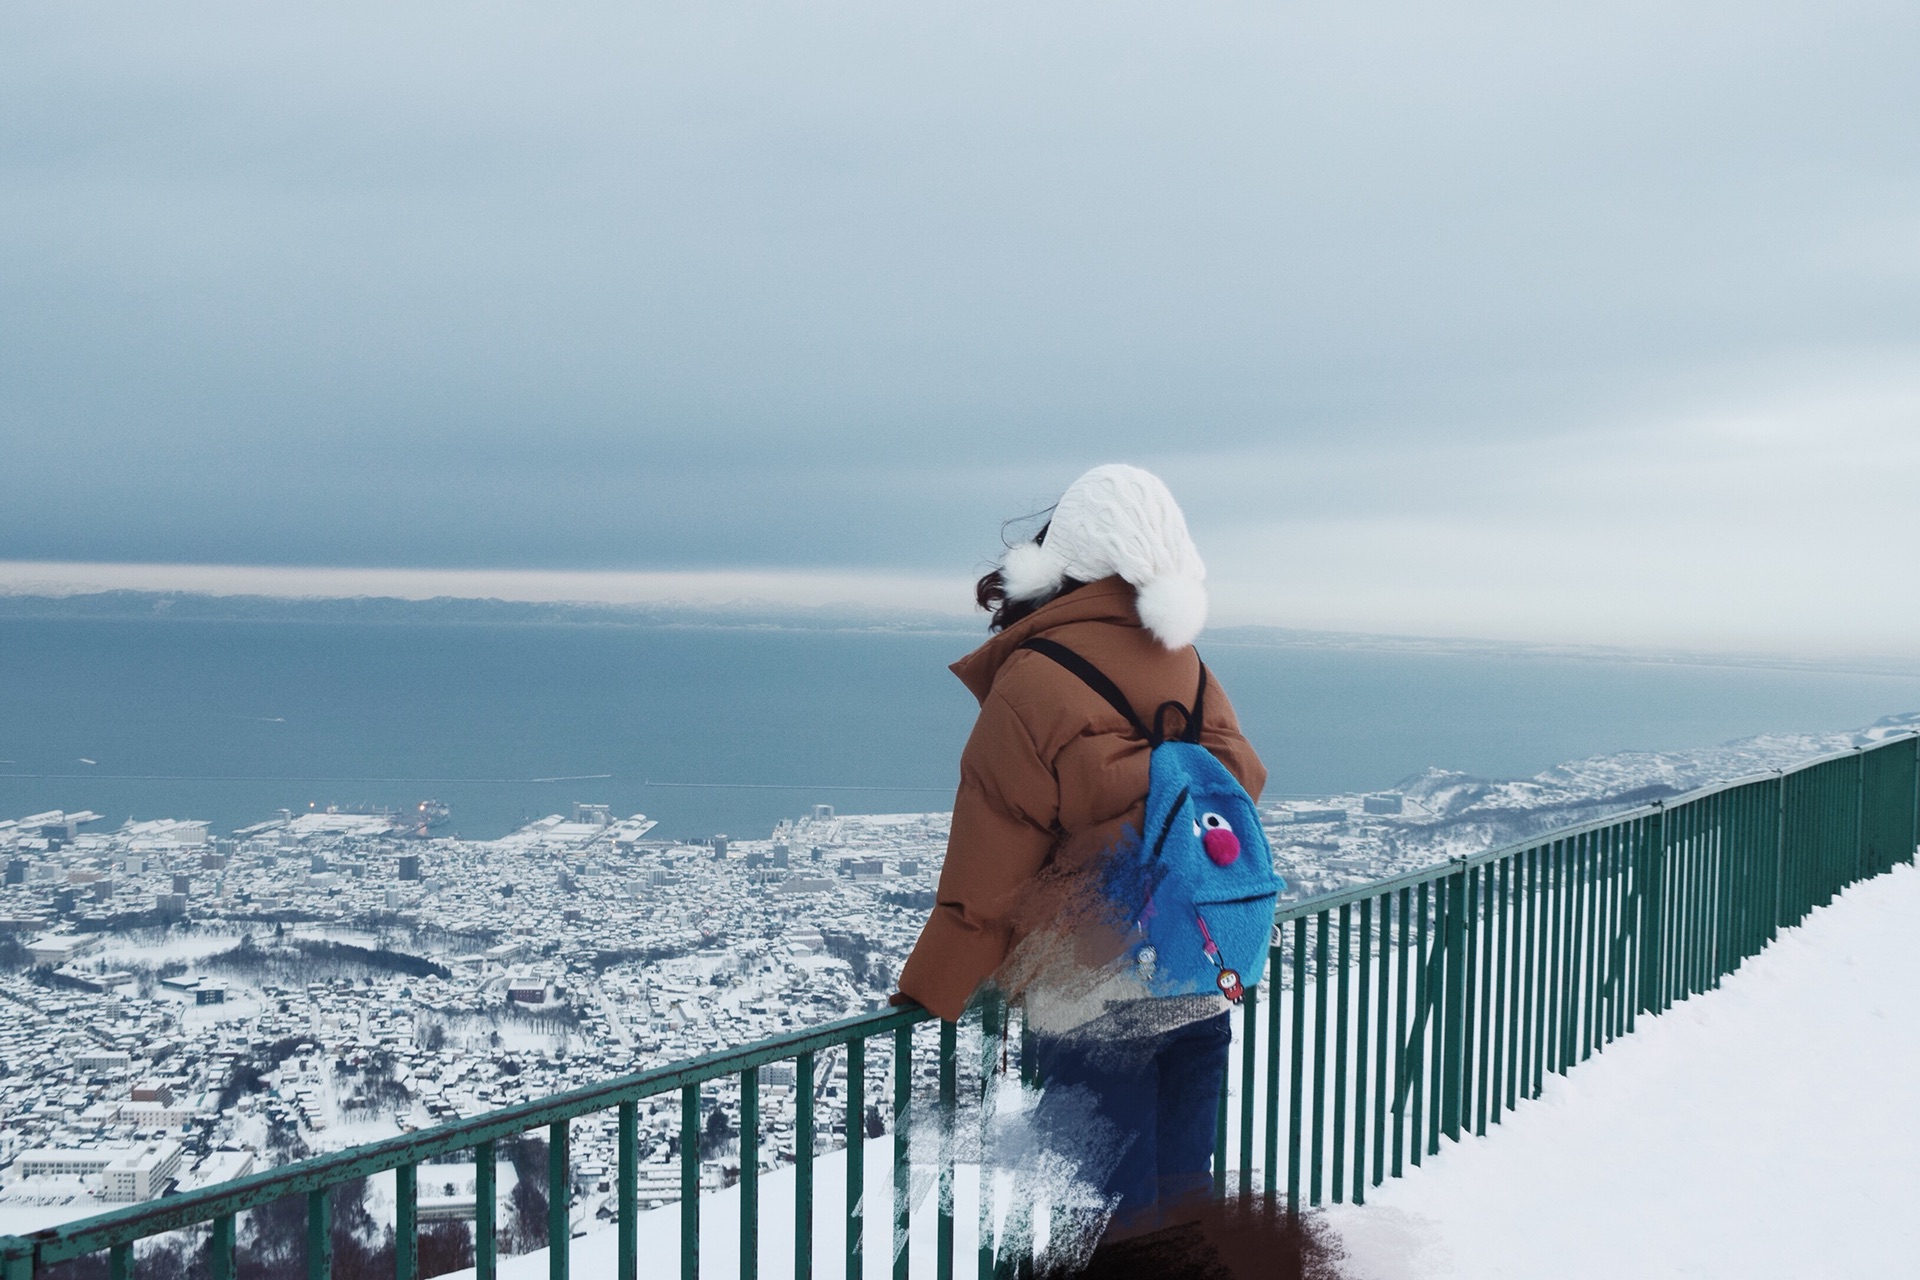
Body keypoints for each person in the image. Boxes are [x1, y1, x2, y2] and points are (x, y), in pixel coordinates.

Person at [893, 463, 1268, 1245]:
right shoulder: (1187, 665)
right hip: (1200, 979)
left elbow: (990, 861)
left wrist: (933, 988)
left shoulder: (1034, 678)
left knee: (1107, 1230)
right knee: (1181, 1223)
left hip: (1095, 1000)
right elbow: (1241, 781)